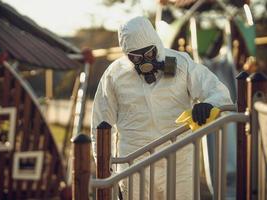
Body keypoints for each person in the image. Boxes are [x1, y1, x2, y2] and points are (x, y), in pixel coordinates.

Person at [91, 16, 232, 199]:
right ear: (127, 55)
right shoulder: (115, 75)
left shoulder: (180, 64)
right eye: (136, 57)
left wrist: (208, 105)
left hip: (178, 161)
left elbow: (219, 92)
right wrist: (107, 169)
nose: (144, 62)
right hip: (133, 163)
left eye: (149, 54)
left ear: (156, 45)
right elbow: (100, 122)